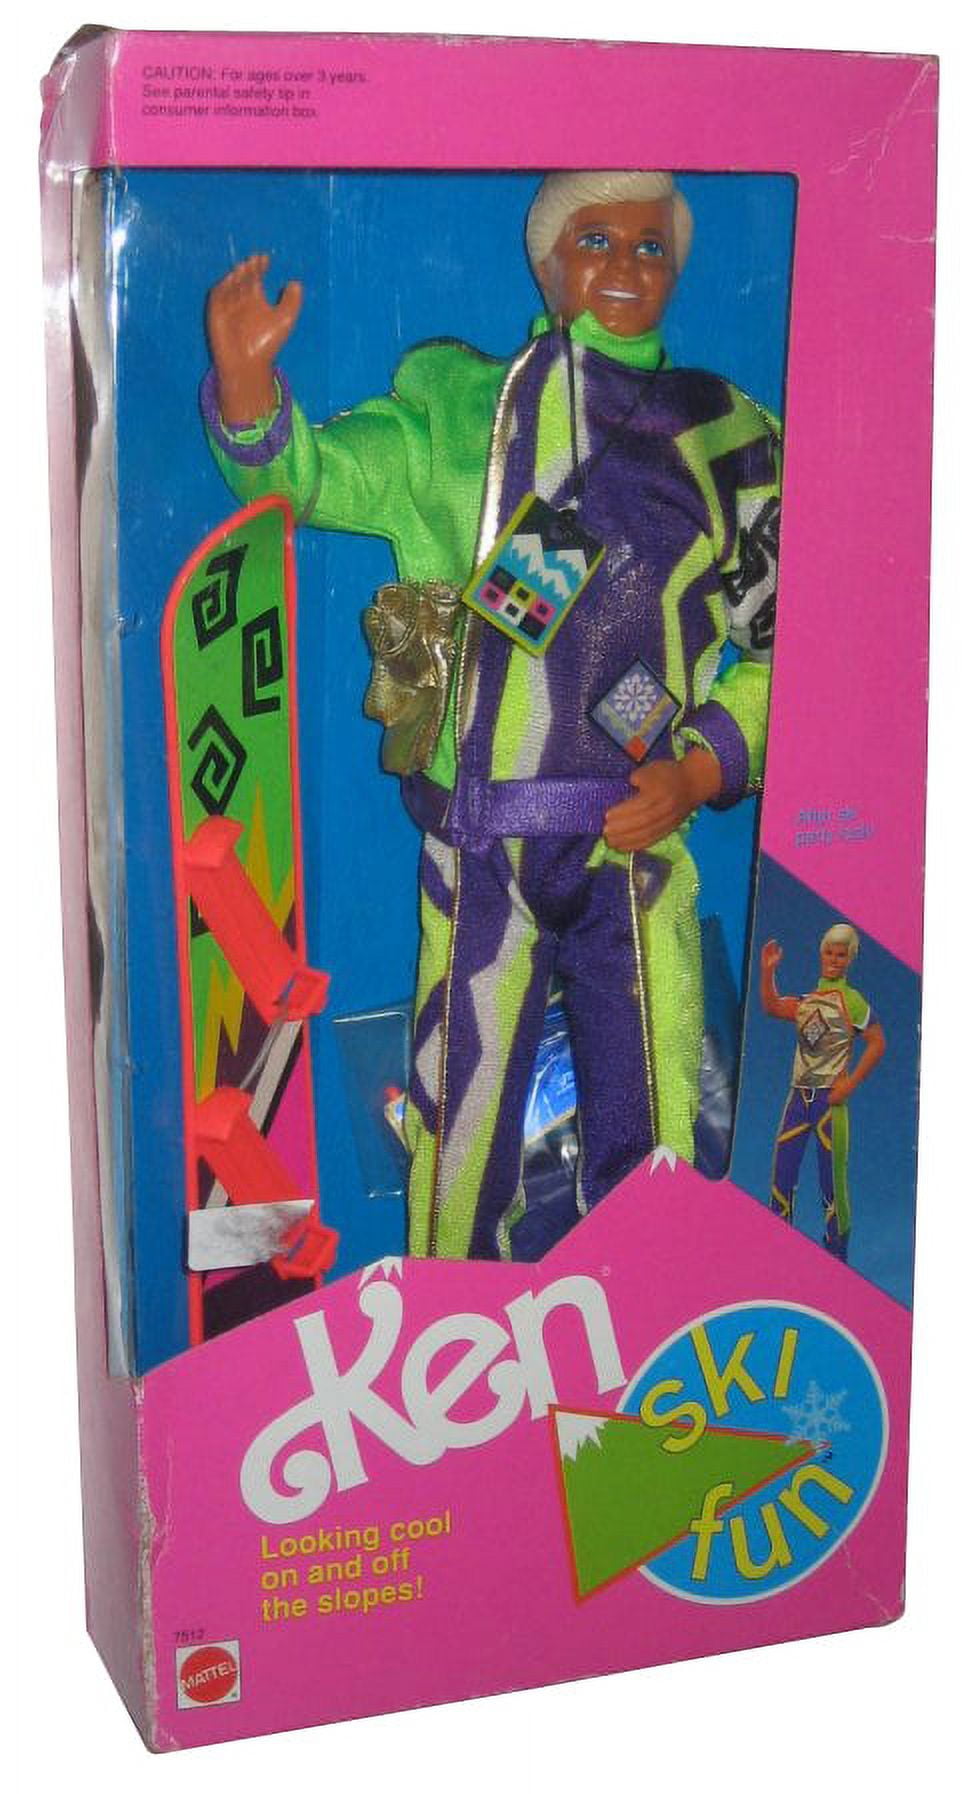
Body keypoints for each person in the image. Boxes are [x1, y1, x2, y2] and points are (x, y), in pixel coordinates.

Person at [202, 170, 781, 1260]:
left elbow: (781, 643)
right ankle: (456, 1309)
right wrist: (247, 394)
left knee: (659, 1099)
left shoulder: (726, 436)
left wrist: (701, 767)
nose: (623, 267)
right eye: (596, 240)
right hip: (484, 840)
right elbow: (317, 479)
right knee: (460, 1115)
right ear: (547, 259)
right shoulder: (465, 408)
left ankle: (651, 1299)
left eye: (650, 247)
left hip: (634, 839)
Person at [760, 924, 886, 1261]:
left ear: (850, 959)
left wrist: (850, 1084)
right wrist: (768, 972)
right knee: (781, 1178)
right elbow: (773, 1007)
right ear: (820, 954)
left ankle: (836, 1260)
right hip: (797, 1100)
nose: (833, 959)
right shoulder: (807, 1001)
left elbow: (877, 1042)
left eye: (841, 955)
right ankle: (777, 1255)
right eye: (829, 952)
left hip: (830, 1104)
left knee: (832, 1185)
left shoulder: (853, 1001)